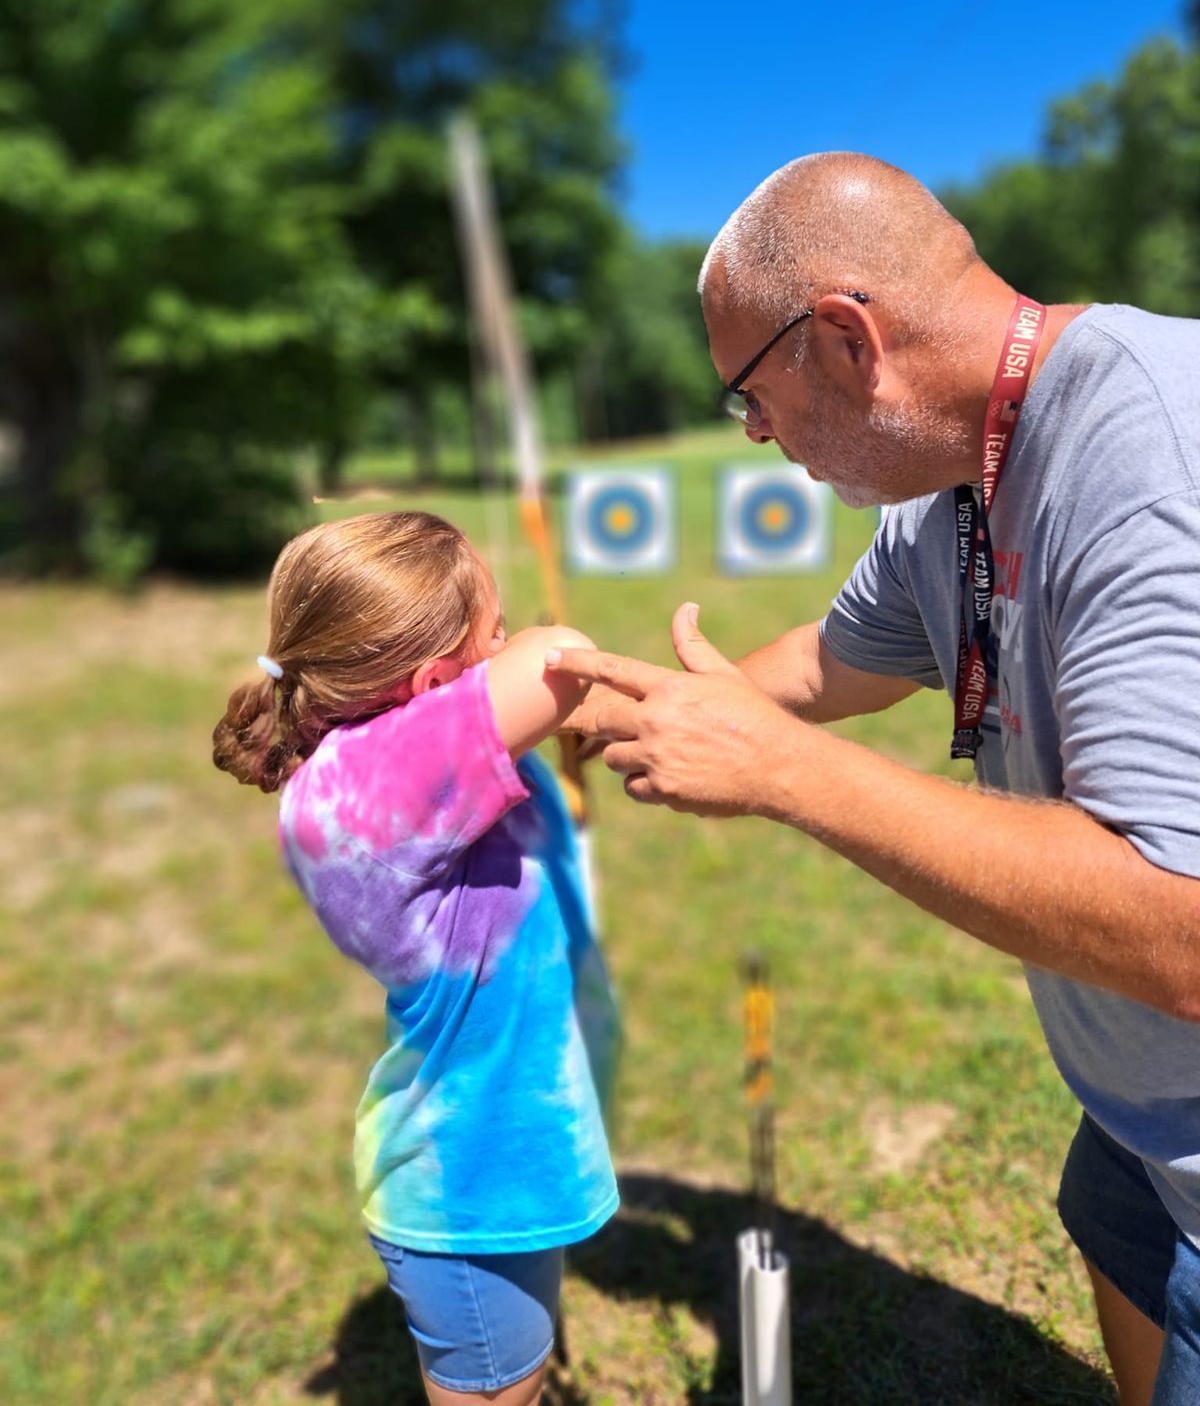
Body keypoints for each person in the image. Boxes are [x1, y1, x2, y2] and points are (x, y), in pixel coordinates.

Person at [549, 152, 1200, 1406]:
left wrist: (785, 774)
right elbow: (835, 661)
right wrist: (661, 703)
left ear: (846, 339)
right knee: (1109, 1212)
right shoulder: (950, 476)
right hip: (1145, 1113)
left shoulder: (1155, 462)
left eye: (750, 393)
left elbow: (1178, 926)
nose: (752, 434)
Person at [212, 510, 617, 1406]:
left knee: (518, 1367)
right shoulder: (372, 788)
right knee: (494, 1388)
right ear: (433, 684)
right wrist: (555, 666)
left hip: (490, 1158)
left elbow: (523, 704)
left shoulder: (386, 767)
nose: (512, 640)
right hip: (465, 1188)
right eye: (495, 632)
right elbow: (557, 661)